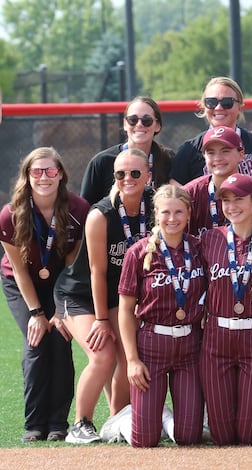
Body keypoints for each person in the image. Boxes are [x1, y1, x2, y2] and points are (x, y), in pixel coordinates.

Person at [56, 148, 154, 444]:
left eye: (135, 173)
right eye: (120, 174)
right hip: (80, 294)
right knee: (103, 355)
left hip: (119, 295)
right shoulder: (101, 214)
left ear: (148, 175)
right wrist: (101, 320)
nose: (127, 179)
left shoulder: (155, 207)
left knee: (128, 357)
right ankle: (80, 424)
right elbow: (96, 272)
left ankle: (117, 420)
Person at [0, 148, 90, 442]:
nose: (44, 177)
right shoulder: (10, 215)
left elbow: (71, 267)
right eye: (36, 171)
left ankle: (57, 424)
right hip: (21, 282)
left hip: (61, 282)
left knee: (61, 341)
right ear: (27, 176)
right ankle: (34, 424)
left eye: (50, 171)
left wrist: (60, 311)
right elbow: (20, 270)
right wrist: (38, 314)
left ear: (61, 173)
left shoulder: (78, 209)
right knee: (36, 341)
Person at [118, 185, 206, 447]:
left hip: (190, 345)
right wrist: (132, 360)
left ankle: (165, 420)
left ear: (189, 213)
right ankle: (121, 422)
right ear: (156, 213)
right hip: (151, 344)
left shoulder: (201, 249)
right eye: (165, 212)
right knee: (144, 441)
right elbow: (125, 309)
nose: (172, 218)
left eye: (178, 212)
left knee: (189, 438)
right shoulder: (139, 252)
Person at [199, 173, 252, 445]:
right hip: (216, 338)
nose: (232, 206)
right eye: (226, 200)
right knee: (222, 437)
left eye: (239, 199)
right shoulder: (210, 239)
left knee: (249, 436)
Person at [170, 76, 252, 184]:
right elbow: (175, 187)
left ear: (240, 108)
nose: (218, 107)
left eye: (227, 102)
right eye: (211, 102)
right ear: (203, 106)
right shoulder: (190, 149)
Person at [81, 97, 173, 205]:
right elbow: (86, 209)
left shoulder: (169, 160)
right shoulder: (102, 162)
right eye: (133, 120)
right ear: (125, 124)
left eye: (147, 120)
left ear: (157, 126)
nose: (139, 124)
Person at [184, 126, 247, 236]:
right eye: (211, 153)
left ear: (241, 155)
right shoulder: (189, 193)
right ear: (204, 157)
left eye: (225, 151)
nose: (218, 158)